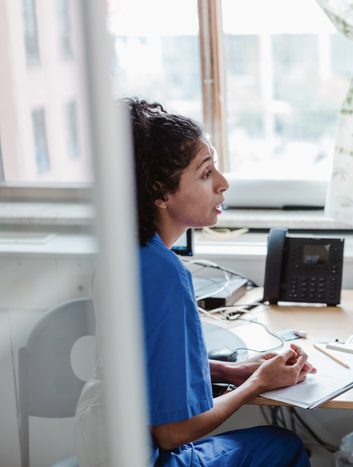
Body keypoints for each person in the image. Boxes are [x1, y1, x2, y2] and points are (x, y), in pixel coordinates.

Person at [75, 99, 315, 466]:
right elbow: (173, 433)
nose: (223, 183)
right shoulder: (166, 274)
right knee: (282, 445)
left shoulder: (121, 254)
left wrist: (230, 371)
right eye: (206, 174)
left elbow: (142, 366)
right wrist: (258, 384)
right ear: (159, 193)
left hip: (101, 446)